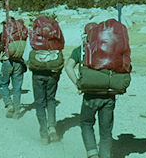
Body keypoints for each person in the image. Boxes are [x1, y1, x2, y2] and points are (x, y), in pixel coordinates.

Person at [65, 22, 122, 158]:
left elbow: (68, 67)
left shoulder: (81, 50)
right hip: (108, 95)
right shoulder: (110, 48)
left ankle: (92, 153)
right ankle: (105, 155)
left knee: (86, 123)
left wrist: (78, 84)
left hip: (90, 95)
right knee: (106, 130)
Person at [27, 16, 65, 144]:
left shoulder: (34, 35)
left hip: (38, 73)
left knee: (39, 102)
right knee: (51, 99)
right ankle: (52, 127)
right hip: (52, 73)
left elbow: (27, 56)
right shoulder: (55, 33)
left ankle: (43, 133)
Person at [0, 18, 29, 119]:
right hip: (19, 62)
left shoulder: (5, 35)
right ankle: (17, 109)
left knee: (3, 83)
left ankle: (9, 104)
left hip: (7, 61)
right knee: (17, 87)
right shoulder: (22, 34)